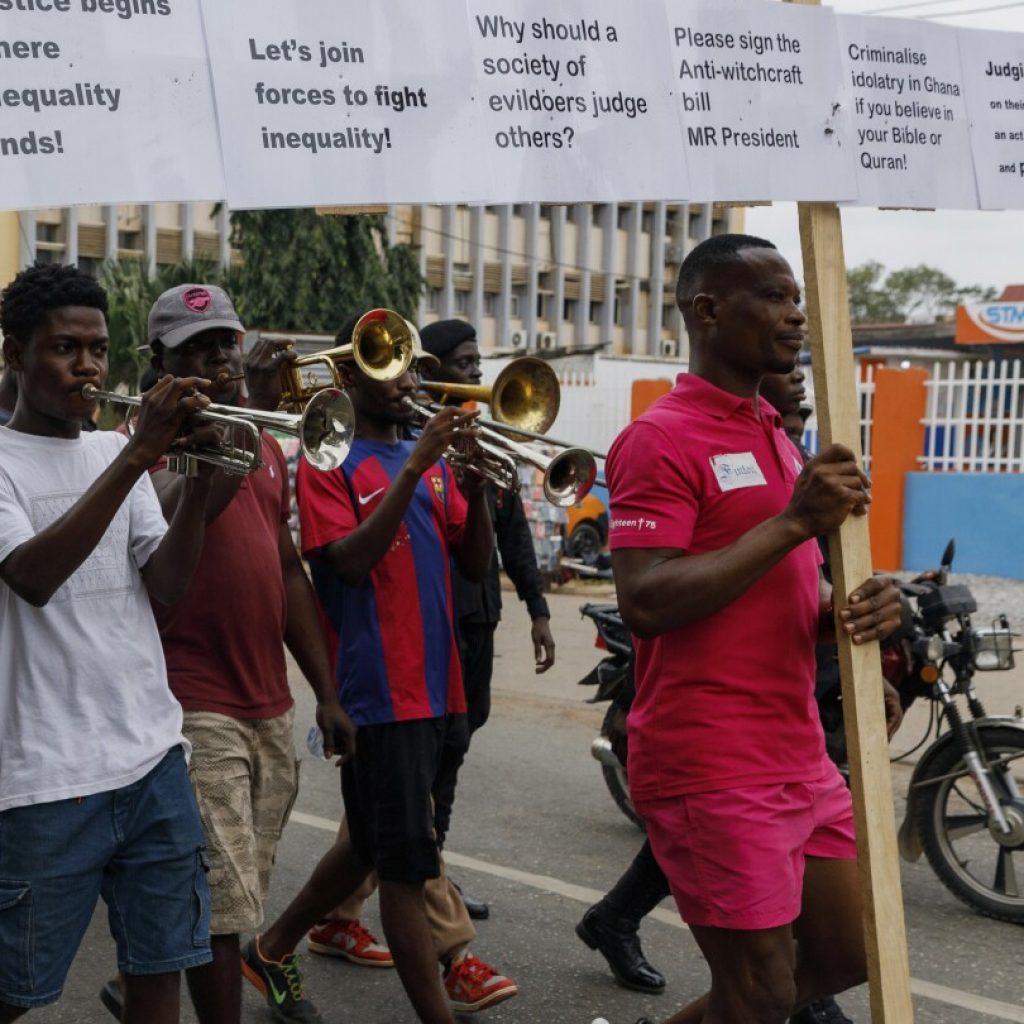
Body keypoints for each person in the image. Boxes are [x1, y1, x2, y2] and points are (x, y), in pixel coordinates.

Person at [604, 234, 903, 1024]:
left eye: (796, 296)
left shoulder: (775, 432)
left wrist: (854, 621)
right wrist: (797, 521)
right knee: (761, 991)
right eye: (772, 296)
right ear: (707, 310)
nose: (796, 314)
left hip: (799, 753)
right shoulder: (658, 437)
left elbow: (779, 592)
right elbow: (647, 599)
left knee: (852, 954)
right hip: (710, 762)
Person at [96, 284, 356, 1024]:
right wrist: (217, 460)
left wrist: (325, 692)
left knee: (235, 887)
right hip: (190, 704)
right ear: (161, 360)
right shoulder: (137, 448)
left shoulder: (267, 441)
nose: (220, 359)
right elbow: (167, 550)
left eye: (226, 343)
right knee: (220, 906)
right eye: (199, 348)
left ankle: (139, 979)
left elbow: (284, 570)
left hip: (267, 703)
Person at [241, 333, 518, 1023]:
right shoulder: (329, 459)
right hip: (378, 691)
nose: (407, 383)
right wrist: (415, 469)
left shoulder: (430, 462)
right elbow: (350, 563)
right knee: (404, 865)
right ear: (349, 383)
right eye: (388, 371)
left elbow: (477, 567)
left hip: (440, 685)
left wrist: (478, 492)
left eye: (410, 371)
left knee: (370, 843)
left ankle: (270, 947)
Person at [0, 262, 220, 1022]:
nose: (87, 366)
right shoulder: (5, 463)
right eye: (65, 348)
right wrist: (138, 456)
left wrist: (194, 473)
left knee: (162, 968)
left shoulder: (106, 452)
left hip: (151, 758)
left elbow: (168, 584)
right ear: (13, 355)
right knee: (14, 988)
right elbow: (32, 575)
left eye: (97, 349)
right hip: (42, 777)